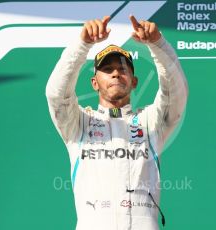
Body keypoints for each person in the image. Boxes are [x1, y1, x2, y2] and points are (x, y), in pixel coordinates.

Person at [46, 14, 188, 230]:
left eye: (123, 70)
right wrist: (82, 45)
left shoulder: (151, 122)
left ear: (134, 82)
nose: (116, 74)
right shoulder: (78, 125)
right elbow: (56, 95)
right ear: (94, 82)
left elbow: (177, 92)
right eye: (107, 69)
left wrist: (158, 44)